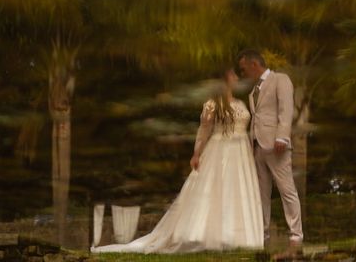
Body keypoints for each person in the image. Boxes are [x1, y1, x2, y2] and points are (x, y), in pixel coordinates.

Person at [91, 68, 263, 254]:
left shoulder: (239, 103)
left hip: (240, 153)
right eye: (232, 74)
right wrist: (197, 154)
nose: (236, 77)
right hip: (220, 151)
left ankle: (238, 235)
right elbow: (203, 132)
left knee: (236, 190)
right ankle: (212, 234)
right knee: (217, 190)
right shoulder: (212, 104)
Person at [237, 49, 303, 246]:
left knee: (287, 189)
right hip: (258, 146)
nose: (243, 74)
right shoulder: (253, 90)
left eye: (243, 69)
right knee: (261, 193)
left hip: (276, 145)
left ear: (253, 65)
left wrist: (282, 137)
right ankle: (262, 233)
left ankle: (296, 234)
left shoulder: (280, 79)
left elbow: (286, 109)